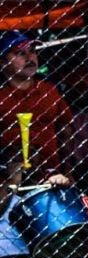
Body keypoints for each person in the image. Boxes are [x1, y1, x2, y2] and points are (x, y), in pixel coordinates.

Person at [0, 30, 72, 187]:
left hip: (52, 178)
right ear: (3, 62)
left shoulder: (49, 91)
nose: (29, 58)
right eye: (20, 53)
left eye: (32, 51)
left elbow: (66, 132)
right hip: (8, 181)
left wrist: (67, 171)